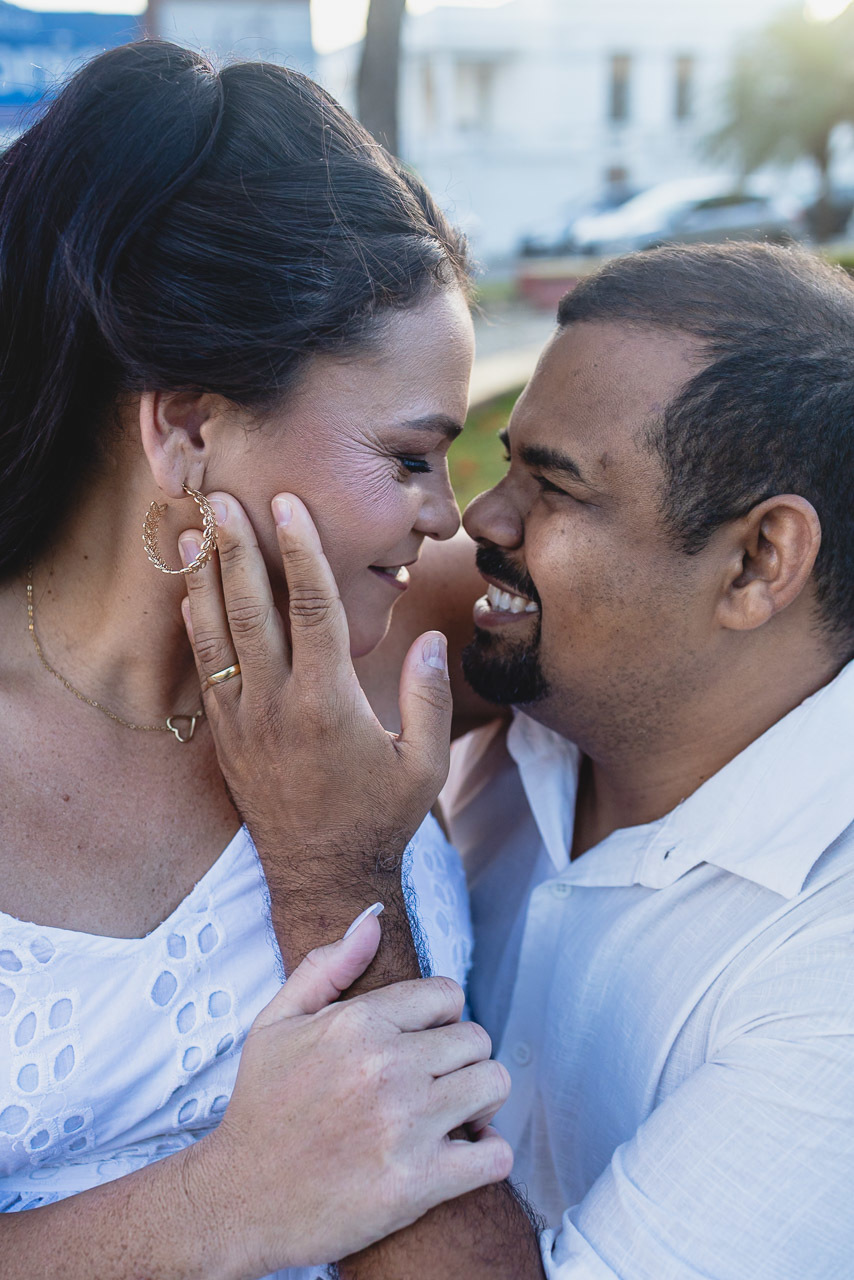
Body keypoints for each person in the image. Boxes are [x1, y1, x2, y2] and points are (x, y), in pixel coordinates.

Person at [195, 242, 854, 1279]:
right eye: (503, 460)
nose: (477, 517)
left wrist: (331, 872)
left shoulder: (828, 984)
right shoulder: (572, 669)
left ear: (756, 560)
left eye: (552, 485)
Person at [0, 40, 514, 1278]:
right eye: (407, 456)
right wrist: (220, 1203)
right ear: (185, 426)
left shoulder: (396, 628)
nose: (448, 515)